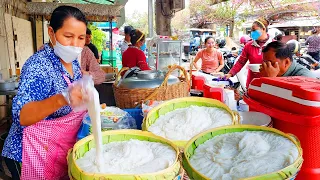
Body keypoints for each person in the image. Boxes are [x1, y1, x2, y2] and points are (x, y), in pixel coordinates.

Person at [2, 6, 92, 179]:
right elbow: (22, 115)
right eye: (68, 36)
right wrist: (63, 98)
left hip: (53, 149)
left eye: (80, 38)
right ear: (51, 33)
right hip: (28, 153)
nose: (75, 44)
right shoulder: (40, 65)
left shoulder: (72, 64)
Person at [225, 18, 273, 87]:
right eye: (251, 31)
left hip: (269, 82)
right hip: (252, 82)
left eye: (254, 30)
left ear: (263, 29)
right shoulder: (248, 45)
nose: (252, 33)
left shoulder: (274, 44)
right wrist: (230, 73)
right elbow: (240, 62)